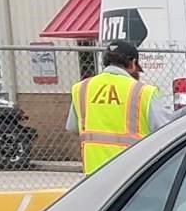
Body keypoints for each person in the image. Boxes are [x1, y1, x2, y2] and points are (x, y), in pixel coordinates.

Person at [67, 40, 168, 174]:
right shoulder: (144, 92)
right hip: (132, 177)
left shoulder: (81, 88)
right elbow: (166, 131)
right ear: (132, 64)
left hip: (93, 176)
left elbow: (72, 127)